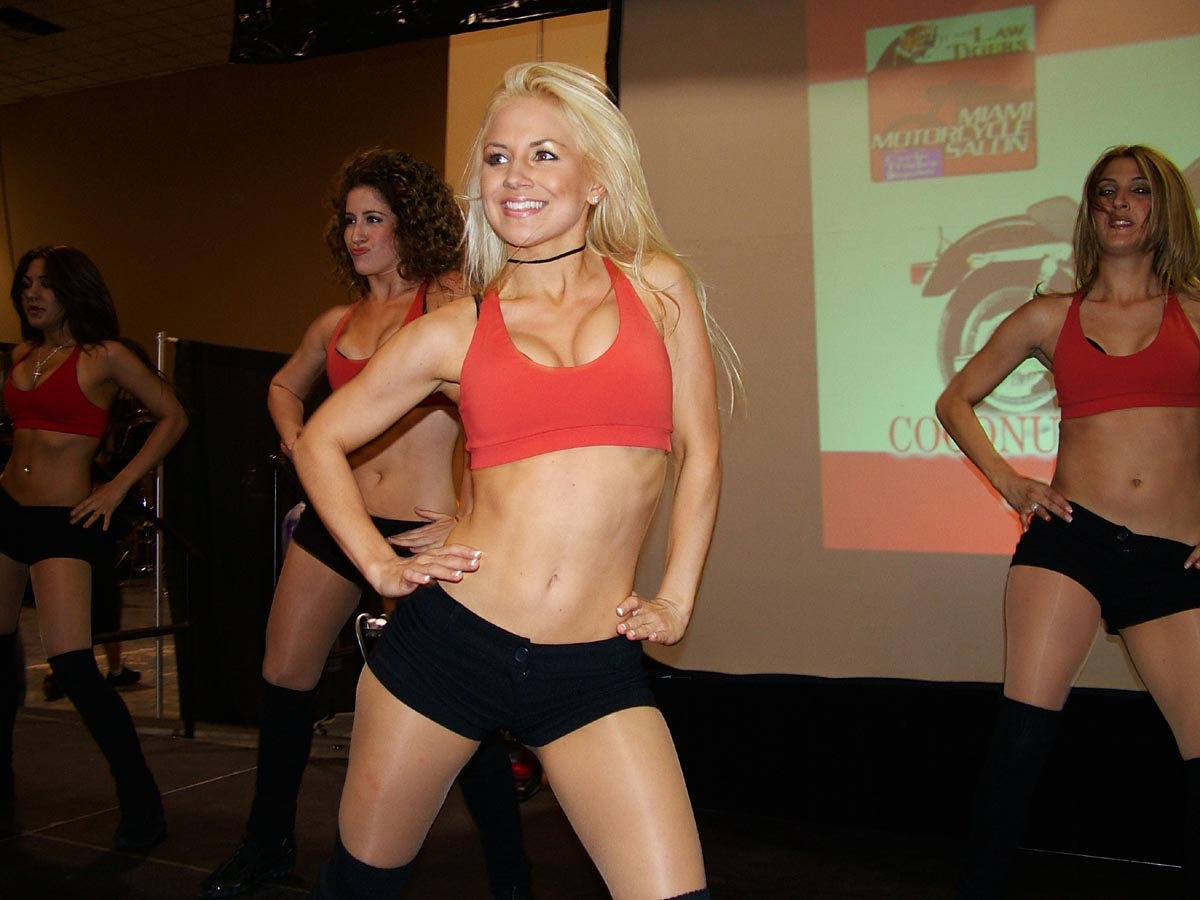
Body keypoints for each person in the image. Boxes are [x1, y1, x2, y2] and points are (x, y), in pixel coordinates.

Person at [292, 61, 723, 900]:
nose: (515, 176)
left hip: (592, 671)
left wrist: (677, 597)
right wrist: (379, 565)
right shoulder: (455, 330)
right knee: (360, 886)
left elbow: (701, 451)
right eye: (497, 158)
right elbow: (319, 441)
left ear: (596, 179)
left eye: (543, 154)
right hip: (448, 649)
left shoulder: (658, 290)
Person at [201, 148, 532, 899]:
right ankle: (266, 844)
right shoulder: (338, 322)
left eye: (373, 218)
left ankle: (512, 881)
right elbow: (284, 386)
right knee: (284, 675)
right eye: (350, 220)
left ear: (410, 222)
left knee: (452, 703)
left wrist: (471, 514)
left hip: (415, 530)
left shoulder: (450, 301)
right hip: (337, 521)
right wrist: (298, 439)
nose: (357, 234)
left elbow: (501, 414)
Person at [936, 144, 1200, 899]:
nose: (1119, 203)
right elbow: (955, 401)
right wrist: (1010, 482)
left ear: (1165, 208)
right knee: (1021, 740)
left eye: (1139, 191)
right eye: (1106, 191)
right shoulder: (1050, 316)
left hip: (1172, 557)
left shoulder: (1195, 314)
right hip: (1070, 544)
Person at [0, 244, 188, 847]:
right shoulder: (22, 355)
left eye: (45, 285)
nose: (32, 294)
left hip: (64, 519)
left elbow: (173, 416)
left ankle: (141, 803)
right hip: (7, 510)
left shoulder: (104, 357)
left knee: (74, 667)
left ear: (73, 290)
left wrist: (119, 487)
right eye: (26, 284)